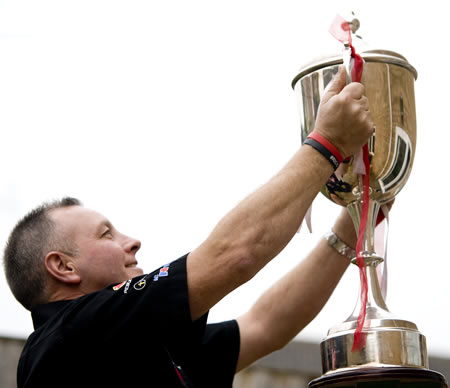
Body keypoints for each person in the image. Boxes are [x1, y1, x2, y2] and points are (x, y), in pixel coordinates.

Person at [3, 66, 373, 388]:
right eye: (106, 233)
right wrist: (327, 144)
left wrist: (352, 224)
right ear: (63, 267)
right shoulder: (71, 336)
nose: (133, 242)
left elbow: (266, 325)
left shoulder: (140, 341)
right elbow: (233, 254)